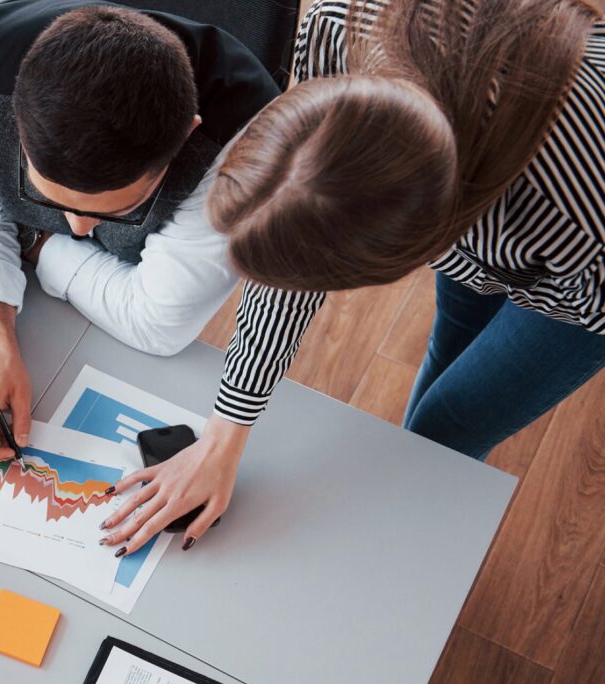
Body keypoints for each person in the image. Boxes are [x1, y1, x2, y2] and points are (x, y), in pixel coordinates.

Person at [102, 0, 605, 556]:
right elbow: (298, 221)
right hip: (493, 213)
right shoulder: (339, 31)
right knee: (455, 332)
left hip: (586, 291)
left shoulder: (574, 217)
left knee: (448, 425)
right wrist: (224, 433)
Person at [0, 2, 278, 470]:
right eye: (48, 196)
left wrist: (35, 241)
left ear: (185, 136)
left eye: (115, 209)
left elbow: (156, 323)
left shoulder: (245, 150)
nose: (76, 228)